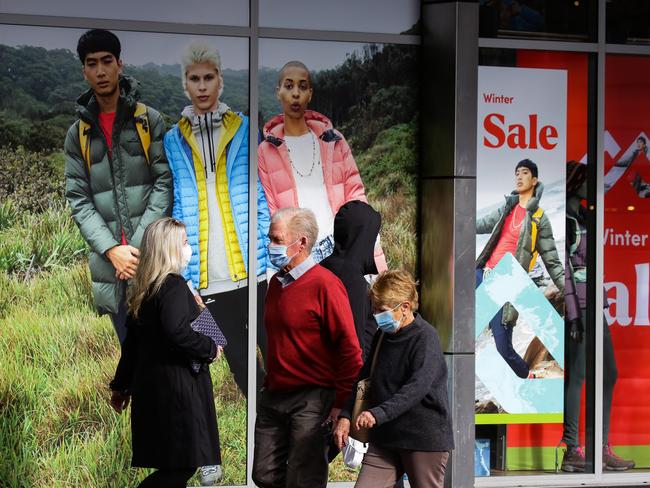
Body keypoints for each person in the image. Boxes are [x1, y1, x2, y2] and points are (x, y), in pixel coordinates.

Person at [164, 40, 270, 406]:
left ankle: (290, 433)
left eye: (209, 77)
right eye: (195, 78)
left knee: (276, 354)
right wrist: (186, 275)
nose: (203, 86)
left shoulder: (244, 128)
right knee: (237, 362)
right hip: (207, 281)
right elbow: (178, 206)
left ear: (221, 80)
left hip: (256, 275)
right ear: (185, 84)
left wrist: (269, 261)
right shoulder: (172, 139)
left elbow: (260, 196)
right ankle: (263, 430)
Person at [64, 29, 172, 343]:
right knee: (133, 359)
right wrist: (113, 251)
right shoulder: (78, 134)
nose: (100, 70)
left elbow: (164, 182)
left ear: (120, 64)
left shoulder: (148, 121)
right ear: (84, 71)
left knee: (176, 349)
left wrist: (135, 249)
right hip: (111, 269)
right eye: (92, 63)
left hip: (152, 259)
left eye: (107, 61)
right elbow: (79, 200)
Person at [252, 207, 363, 488]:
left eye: (276, 239)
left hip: (312, 399)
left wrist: (341, 405)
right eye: (270, 239)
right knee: (263, 474)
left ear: (301, 242)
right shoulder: (276, 284)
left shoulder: (326, 285)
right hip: (274, 395)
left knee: (304, 478)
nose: (270, 246)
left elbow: (350, 350)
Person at [109, 217, 221, 488]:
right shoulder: (173, 286)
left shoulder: (145, 291)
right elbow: (183, 333)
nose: (188, 248)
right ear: (169, 248)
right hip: (177, 393)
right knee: (181, 468)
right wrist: (208, 349)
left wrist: (121, 387)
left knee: (175, 468)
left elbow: (131, 347)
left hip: (153, 393)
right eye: (184, 242)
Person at [257, 60, 386, 270]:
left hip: (339, 246)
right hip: (299, 253)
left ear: (310, 93)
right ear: (278, 92)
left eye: (303, 86)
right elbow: (272, 211)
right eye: (289, 86)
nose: (296, 93)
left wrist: (370, 241)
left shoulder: (333, 140)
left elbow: (356, 195)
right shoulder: (265, 151)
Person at [334, 269, 454, 488]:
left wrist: (378, 413)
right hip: (386, 437)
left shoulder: (425, 337)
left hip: (422, 438)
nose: (376, 316)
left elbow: (416, 388)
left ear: (405, 307)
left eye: (382, 310)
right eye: (375, 310)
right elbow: (364, 379)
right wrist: (345, 416)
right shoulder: (383, 336)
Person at [560, 161, 635, 472]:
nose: (591, 185)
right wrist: (574, 315)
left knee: (608, 372)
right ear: (575, 182)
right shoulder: (564, 220)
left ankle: (598, 447)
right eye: (586, 180)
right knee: (577, 374)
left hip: (593, 302)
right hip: (578, 304)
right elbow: (563, 270)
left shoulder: (585, 215)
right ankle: (573, 448)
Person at [475, 159, 565, 378]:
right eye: (516, 173)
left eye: (524, 173)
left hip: (505, 283)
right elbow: (482, 224)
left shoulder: (539, 219)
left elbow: (552, 259)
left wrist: (568, 292)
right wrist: (455, 221)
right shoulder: (508, 208)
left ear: (534, 180)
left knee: (503, 348)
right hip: (482, 274)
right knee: (460, 325)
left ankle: (528, 376)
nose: (518, 176)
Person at [320, 200, 381, 359]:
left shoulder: (322, 268)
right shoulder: (353, 282)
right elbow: (353, 350)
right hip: (340, 380)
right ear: (365, 237)